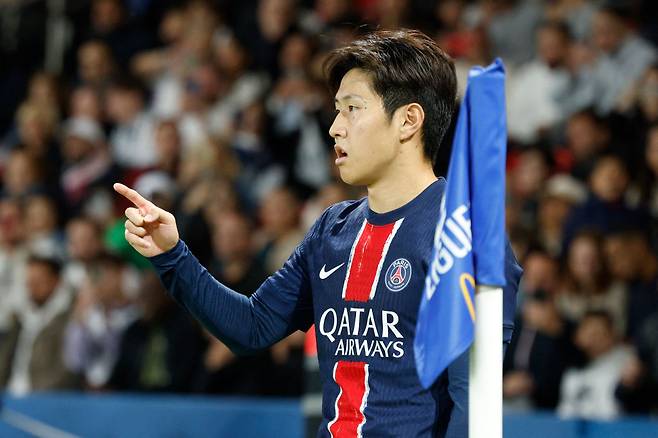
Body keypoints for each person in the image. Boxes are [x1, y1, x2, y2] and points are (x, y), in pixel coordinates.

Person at [115, 29, 522, 437]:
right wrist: (172, 254)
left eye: (353, 109)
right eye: (337, 110)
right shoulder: (332, 229)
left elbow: (475, 407)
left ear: (408, 121)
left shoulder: (462, 235)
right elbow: (252, 327)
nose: (335, 128)